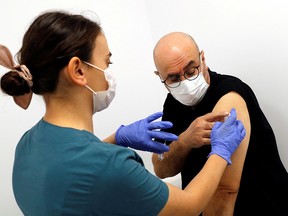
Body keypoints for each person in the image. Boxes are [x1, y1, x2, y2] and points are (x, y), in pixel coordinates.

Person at [0, 11, 246, 216]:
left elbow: (72, 167)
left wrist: (116, 138)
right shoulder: (111, 166)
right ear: (78, 70)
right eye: (107, 63)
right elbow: (189, 206)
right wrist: (220, 151)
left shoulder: (28, 144)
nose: (108, 73)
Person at [152, 31, 288, 216]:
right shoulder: (173, 103)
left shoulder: (229, 96)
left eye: (191, 71)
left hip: (262, 206)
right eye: (174, 78)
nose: (185, 82)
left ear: (203, 59)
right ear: (160, 77)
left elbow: (225, 191)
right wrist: (185, 140)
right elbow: (162, 169)